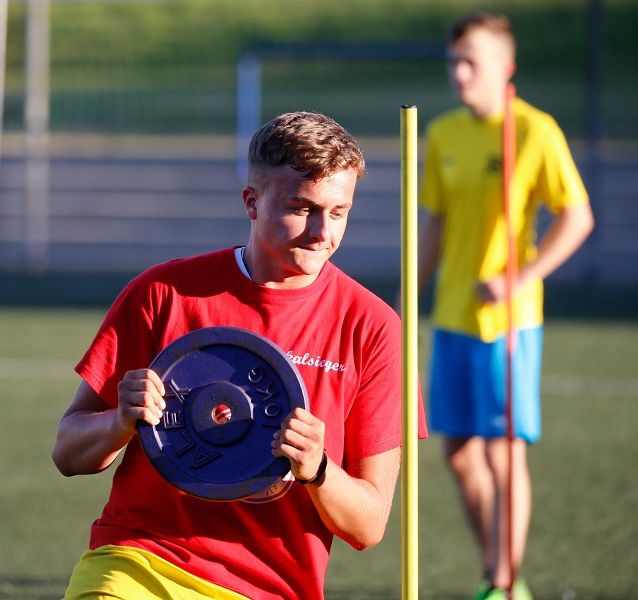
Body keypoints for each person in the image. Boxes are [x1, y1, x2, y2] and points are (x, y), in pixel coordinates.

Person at [52, 111, 427, 600]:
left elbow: (369, 525)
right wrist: (120, 422)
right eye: (302, 207)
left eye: (339, 212)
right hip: (139, 561)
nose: (321, 232)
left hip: (269, 588)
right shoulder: (164, 292)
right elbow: (67, 453)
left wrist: (318, 470)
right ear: (252, 201)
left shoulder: (374, 328)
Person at [419, 12, 595, 600]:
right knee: (460, 455)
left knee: (503, 453)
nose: (460, 72)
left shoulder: (532, 131)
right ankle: (495, 569)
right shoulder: (442, 134)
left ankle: (504, 582)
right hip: (451, 319)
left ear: (506, 66)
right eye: (453, 62)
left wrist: (521, 278)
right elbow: (434, 227)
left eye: (472, 61)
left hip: (508, 325)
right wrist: (403, 300)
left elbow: (577, 216)